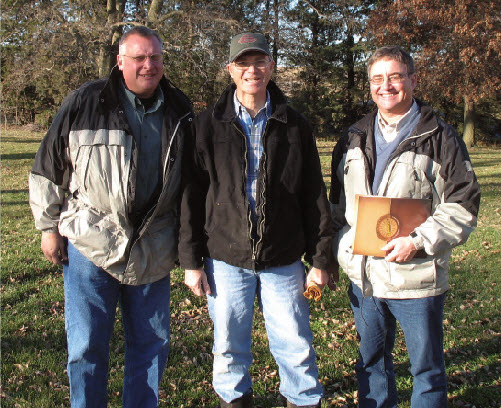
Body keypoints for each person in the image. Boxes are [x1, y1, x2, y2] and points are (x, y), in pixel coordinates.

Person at [29, 26, 193, 408]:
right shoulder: (86, 101)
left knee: (151, 348)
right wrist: (47, 227)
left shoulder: (180, 109)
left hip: (153, 246)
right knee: (86, 346)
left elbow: (191, 185)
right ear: (121, 62)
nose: (148, 65)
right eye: (139, 58)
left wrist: (188, 250)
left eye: (155, 57)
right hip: (91, 242)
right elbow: (48, 167)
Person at [178, 33, 333, 408]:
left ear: (272, 67)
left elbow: (313, 194)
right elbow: (191, 196)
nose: (252, 70)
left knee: (295, 342)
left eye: (260, 61)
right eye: (243, 63)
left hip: (282, 257)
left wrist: (322, 259)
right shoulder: (206, 125)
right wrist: (190, 261)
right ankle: (234, 400)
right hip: (225, 257)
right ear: (229, 69)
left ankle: (301, 399)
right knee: (229, 344)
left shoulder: (294, 124)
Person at [329, 46, 481, 407]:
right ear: (369, 85)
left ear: (412, 80)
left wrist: (417, 240)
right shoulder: (353, 136)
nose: (386, 86)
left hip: (415, 279)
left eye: (395, 77)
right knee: (371, 366)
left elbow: (463, 205)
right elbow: (337, 206)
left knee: (426, 371)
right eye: (377, 79)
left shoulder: (440, 137)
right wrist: (340, 249)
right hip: (365, 278)